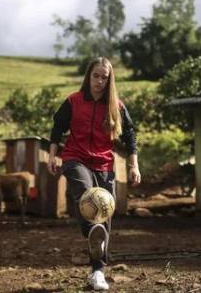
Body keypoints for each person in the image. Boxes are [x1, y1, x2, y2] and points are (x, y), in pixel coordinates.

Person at [48, 57, 141, 291]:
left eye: (104, 77)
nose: (100, 81)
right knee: (86, 192)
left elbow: (129, 135)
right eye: (96, 76)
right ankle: (93, 231)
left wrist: (133, 165)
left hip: (103, 163)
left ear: (110, 80)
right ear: (88, 76)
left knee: (105, 210)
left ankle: (97, 272)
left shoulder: (116, 106)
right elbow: (58, 126)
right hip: (75, 157)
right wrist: (52, 155)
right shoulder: (74, 100)